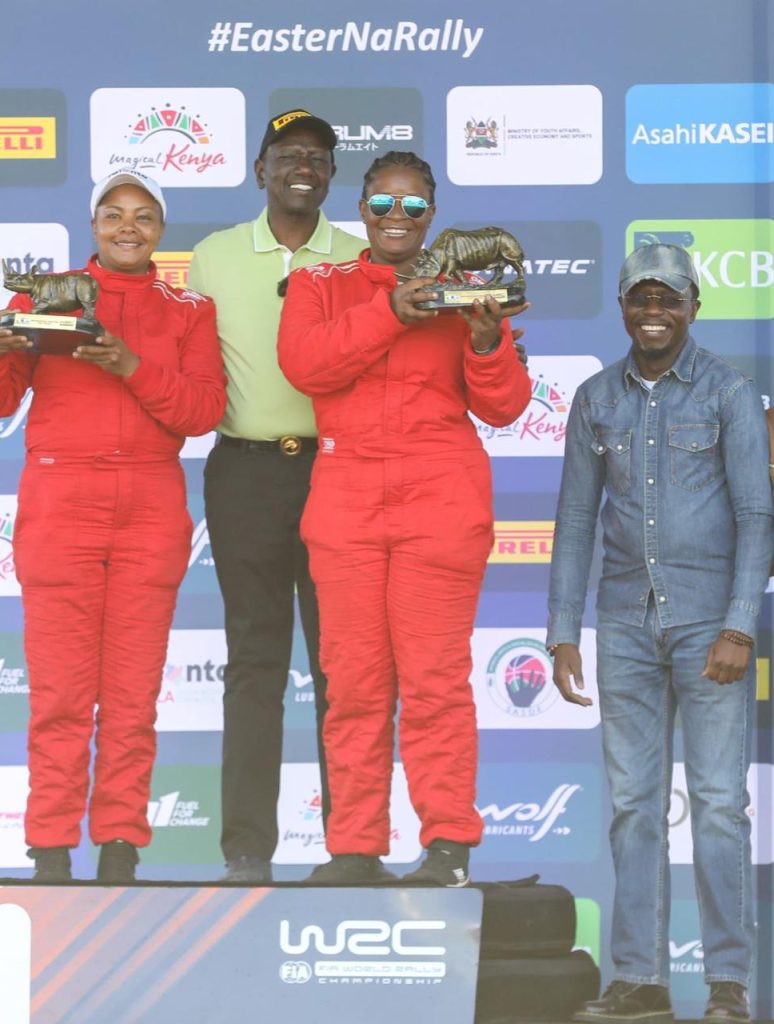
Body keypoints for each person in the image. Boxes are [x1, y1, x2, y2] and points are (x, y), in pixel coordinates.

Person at [0, 169, 226, 883]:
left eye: (143, 216)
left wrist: (131, 366)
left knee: (133, 696)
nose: (128, 228)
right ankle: (49, 851)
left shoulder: (189, 309)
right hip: (61, 498)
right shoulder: (45, 295)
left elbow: (201, 412)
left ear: (161, 230)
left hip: (148, 505)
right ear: (94, 224)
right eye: (114, 214)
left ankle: (119, 850)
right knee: (61, 696)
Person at [277, 150, 531, 886]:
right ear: (360, 211)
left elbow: (506, 407)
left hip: (440, 500)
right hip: (347, 501)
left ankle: (448, 844)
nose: (397, 218)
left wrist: (485, 341)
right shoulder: (322, 283)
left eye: (414, 207)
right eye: (383, 204)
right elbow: (307, 366)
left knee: (434, 682)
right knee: (352, 684)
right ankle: (354, 846)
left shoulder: (469, 287)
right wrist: (392, 309)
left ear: (432, 216)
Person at [547, 243, 773, 1024]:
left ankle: (728, 985)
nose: (654, 311)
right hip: (623, 625)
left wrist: (742, 625)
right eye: (641, 297)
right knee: (634, 805)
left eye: (668, 299)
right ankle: (639, 981)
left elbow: (756, 515)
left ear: (693, 307)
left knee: (717, 804)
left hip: (711, 623)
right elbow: (576, 517)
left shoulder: (730, 393)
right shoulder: (593, 398)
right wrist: (561, 629)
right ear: (620, 306)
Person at [187, 110, 364, 883]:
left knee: (344, 668)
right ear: (259, 170)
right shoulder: (213, 256)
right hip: (247, 474)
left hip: (340, 473)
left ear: (331, 176)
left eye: (319, 157)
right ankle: (247, 851)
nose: (304, 166)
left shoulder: (362, 256)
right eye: (289, 155)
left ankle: (351, 849)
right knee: (255, 663)